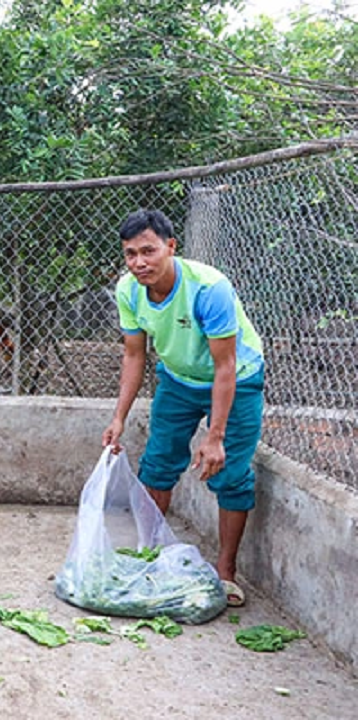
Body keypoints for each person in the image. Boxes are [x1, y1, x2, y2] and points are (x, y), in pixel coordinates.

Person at [101, 208, 265, 608]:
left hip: (236, 380)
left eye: (148, 251)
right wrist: (119, 417)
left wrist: (215, 436)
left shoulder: (209, 288)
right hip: (177, 379)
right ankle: (152, 558)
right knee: (157, 465)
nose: (139, 262)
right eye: (129, 254)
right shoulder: (129, 289)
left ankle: (226, 573)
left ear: (170, 247)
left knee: (229, 475)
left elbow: (224, 365)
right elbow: (134, 356)